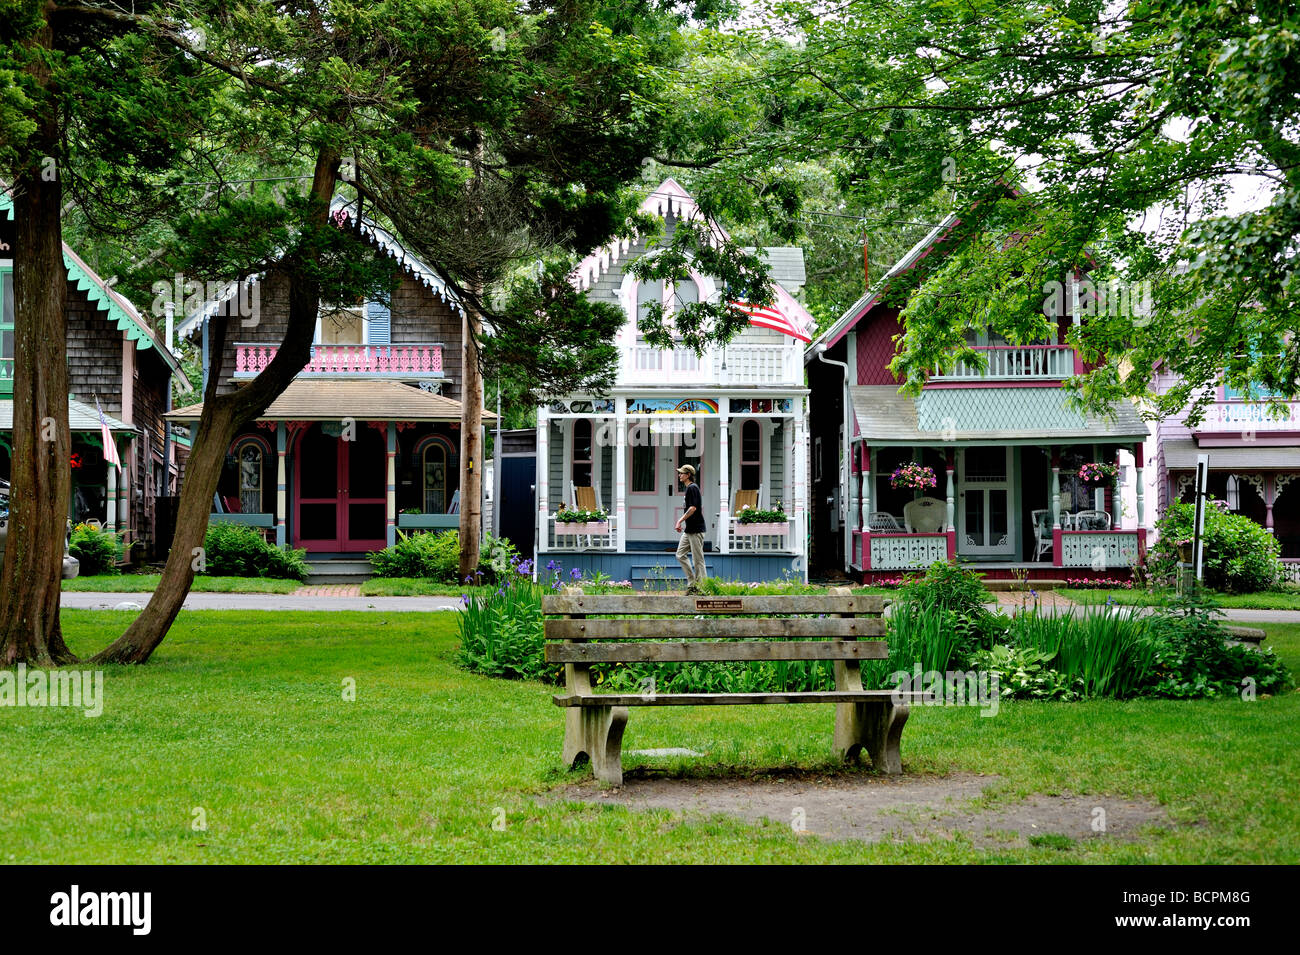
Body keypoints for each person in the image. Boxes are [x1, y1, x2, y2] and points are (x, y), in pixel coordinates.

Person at [674, 464, 707, 594]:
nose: (679, 475)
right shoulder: (689, 489)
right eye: (679, 473)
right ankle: (692, 583)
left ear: (688, 475)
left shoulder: (692, 488)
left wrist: (679, 520)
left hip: (696, 529)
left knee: (698, 560)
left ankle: (702, 588)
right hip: (689, 530)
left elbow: (693, 508)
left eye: (681, 473)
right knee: (680, 554)